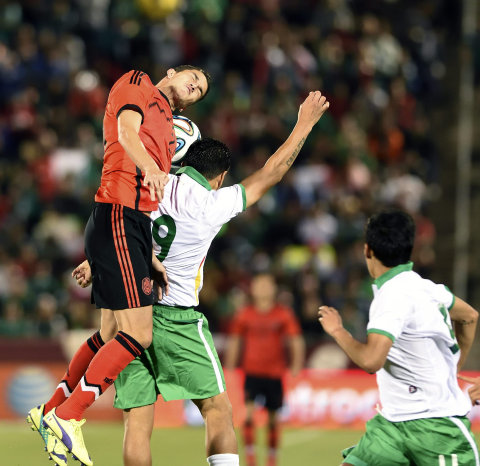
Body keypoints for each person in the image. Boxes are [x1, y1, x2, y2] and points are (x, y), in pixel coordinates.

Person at [71, 90, 329, 466]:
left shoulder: (150, 187)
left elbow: (121, 229)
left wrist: (96, 262)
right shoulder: (212, 204)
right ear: (220, 177)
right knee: (218, 410)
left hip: (133, 312)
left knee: (138, 423)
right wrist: (304, 122)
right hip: (177, 318)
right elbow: (271, 173)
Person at [27, 65, 211, 466]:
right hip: (119, 214)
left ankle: (50, 409)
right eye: (193, 78)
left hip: (130, 227)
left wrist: (147, 256)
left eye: (200, 91)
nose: (196, 87)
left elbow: (149, 199)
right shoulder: (138, 82)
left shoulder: (168, 124)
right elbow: (125, 134)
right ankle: (67, 417)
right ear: (172, 72)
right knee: (138, 335)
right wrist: (149, 168)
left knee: (110, 331)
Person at [318, 210, 480, 466]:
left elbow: (371, 361)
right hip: (392, 424)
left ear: (367, 250)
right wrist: (453, 369)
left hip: (436, 427)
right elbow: (469, 316)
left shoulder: (392, 296)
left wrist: (338, 331)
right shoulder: (427, 288)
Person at [224, 273, 305, 466]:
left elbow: (296, 340)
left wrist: (296, 365)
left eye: (266, 285)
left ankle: (271, 459)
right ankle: (251, 459)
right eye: (259, 285)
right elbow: (235, 340)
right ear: (252, 289)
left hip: (275, 373)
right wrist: (229, 366)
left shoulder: (283, 314)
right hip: (252, 372)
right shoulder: (245, 314)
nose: (262, 289)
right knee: (249, 416)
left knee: (272, 420)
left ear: (274, 289)